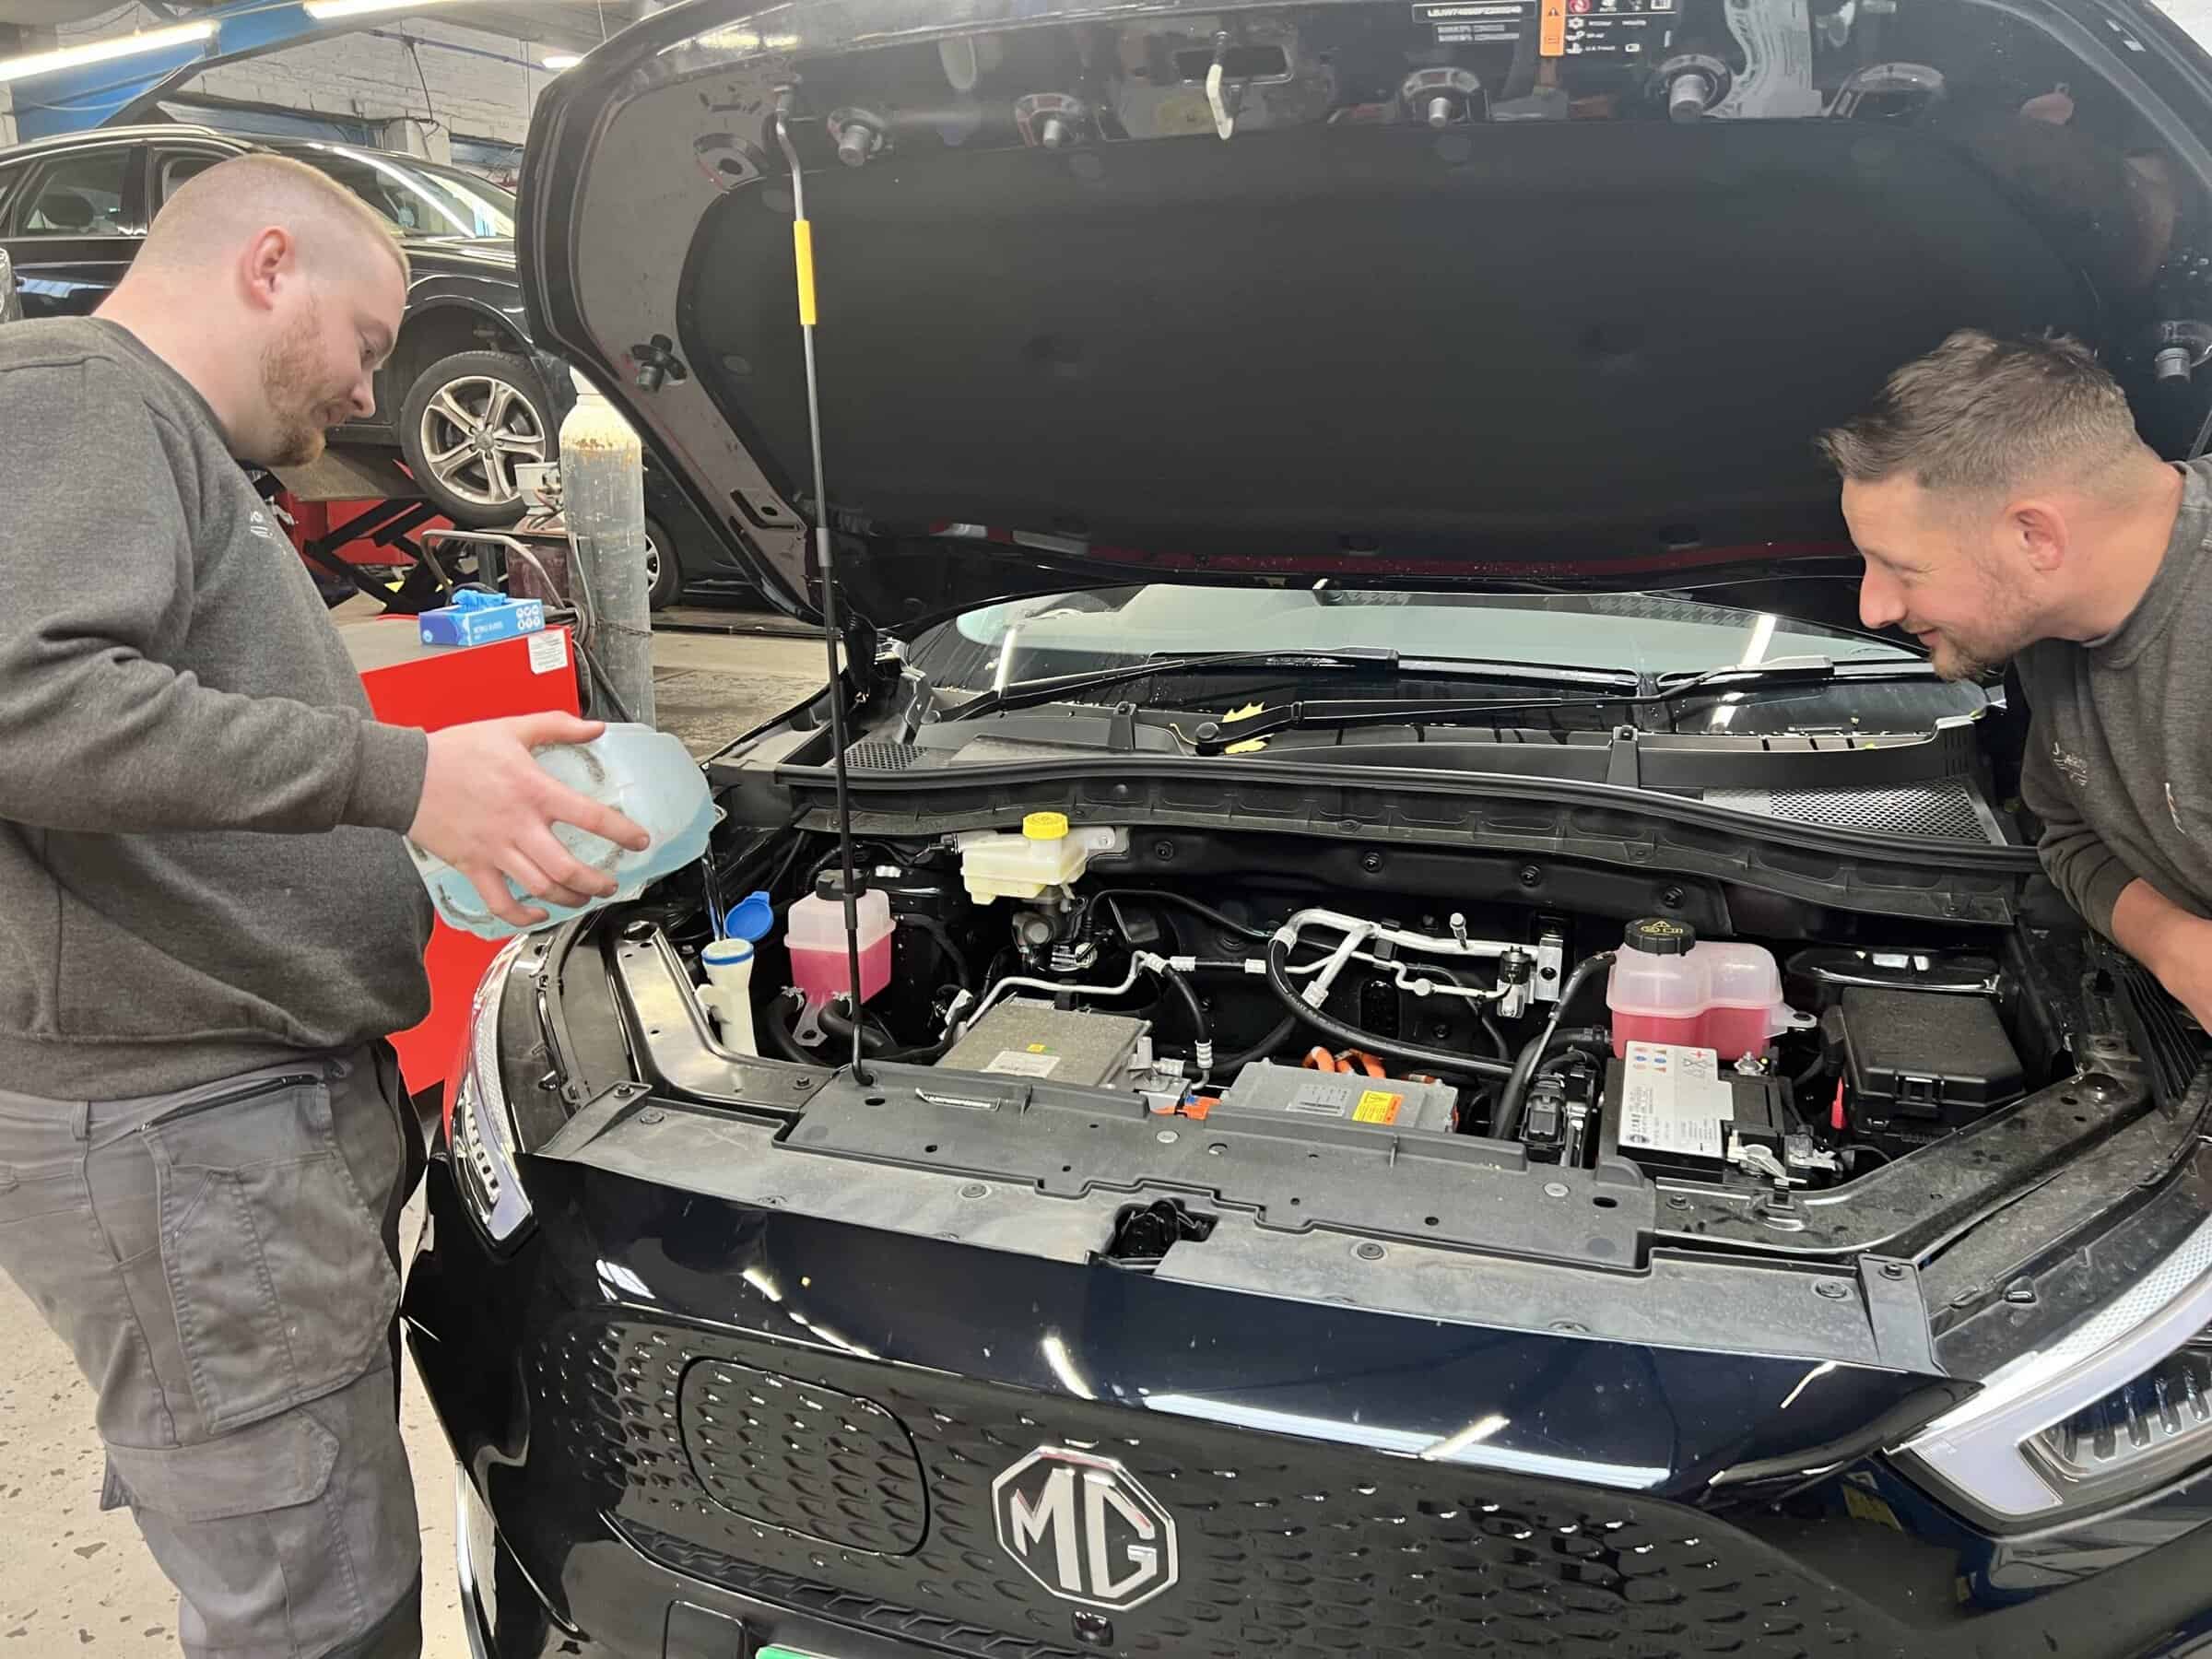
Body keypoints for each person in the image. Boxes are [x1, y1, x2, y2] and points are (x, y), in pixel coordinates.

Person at [0, 152, 648, 1659]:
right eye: (368, 341)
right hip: (186, 1135)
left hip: (233, 1122)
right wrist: (401, 779)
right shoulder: (78, 393)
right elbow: (25, 702)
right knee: (313, 1605)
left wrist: (423, 826)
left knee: (320, 1553)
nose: (367, 391)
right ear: (269, 262)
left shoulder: (163, 438)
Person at [1820, 328, 2212, 1030]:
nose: (1872, 609)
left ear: (2035, 537)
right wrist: (2177, 947)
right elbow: (2069, 834)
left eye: (1903, 568)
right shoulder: (2048, 620)